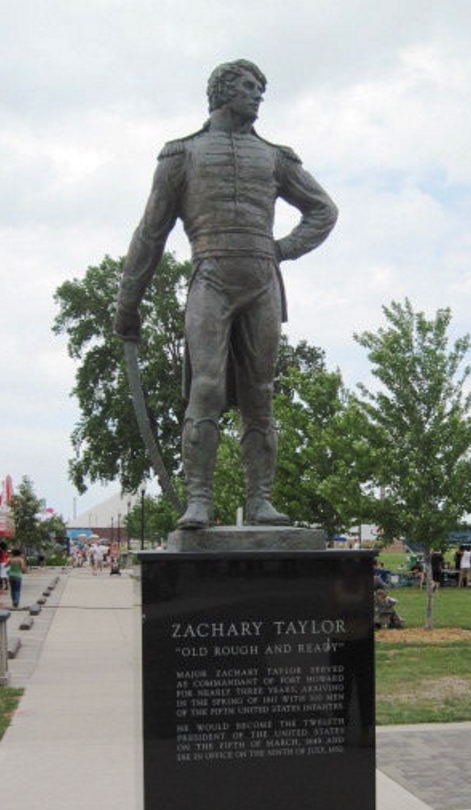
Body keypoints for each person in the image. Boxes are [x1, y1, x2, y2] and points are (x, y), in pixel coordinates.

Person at [114, 59, 338, 529]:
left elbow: (323, 210)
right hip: (210, 277)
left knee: (260, 393)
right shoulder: (181, 155)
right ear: (220, 90)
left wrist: (282, 250)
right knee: (208, 387)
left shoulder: (277, 157)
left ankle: (260, 500)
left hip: (261, 282)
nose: (257, 93)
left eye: (261, 87)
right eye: (248, 85)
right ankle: (199, 499)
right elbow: (150, 234)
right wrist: (127, 302)